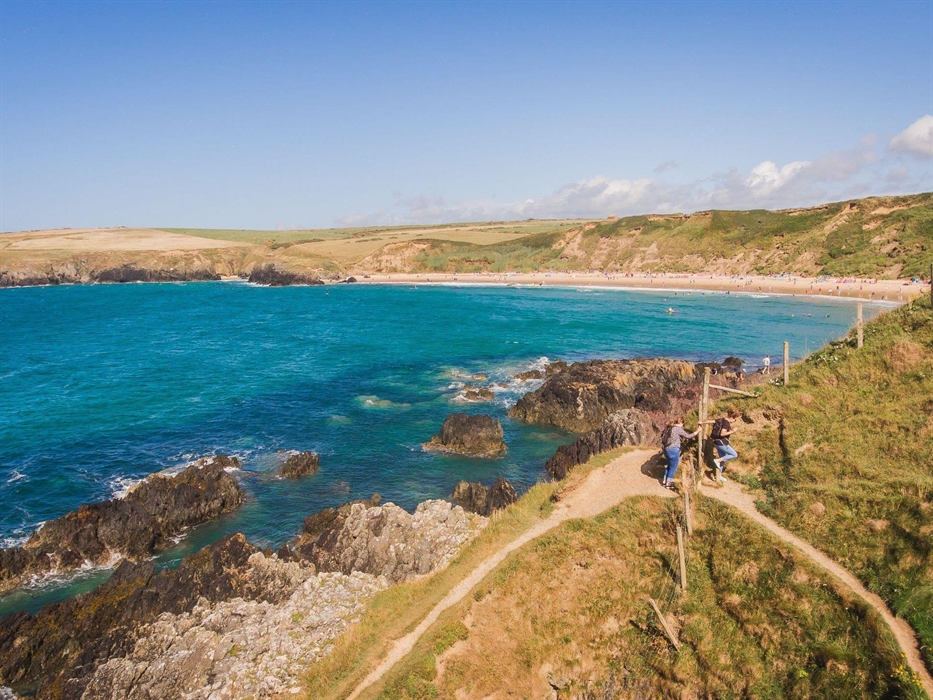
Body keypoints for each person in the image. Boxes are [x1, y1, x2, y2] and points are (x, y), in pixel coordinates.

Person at [660, 418, 704, 490]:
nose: (683, 426)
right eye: (683, 424)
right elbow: (688, 436)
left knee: (669, 465)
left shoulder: (669, 428)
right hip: (674, 450)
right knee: (673, 467)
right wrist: (697, 431)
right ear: (681, 423)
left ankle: (664, 481)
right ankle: (669, 483)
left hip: (666, 449)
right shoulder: (677, 429)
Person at [710, 415, 738, 483]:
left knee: (723, 459)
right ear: (732, 417)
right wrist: (732, 431)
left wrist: (702, 422)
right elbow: (722, 434)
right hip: (722, 444)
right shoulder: (726, 423)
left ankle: (719, 476)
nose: (734, 421)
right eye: (735, 420)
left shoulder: (721, 419)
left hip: (716, 442)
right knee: (734, 454)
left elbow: (712, 421)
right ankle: (717, 460)